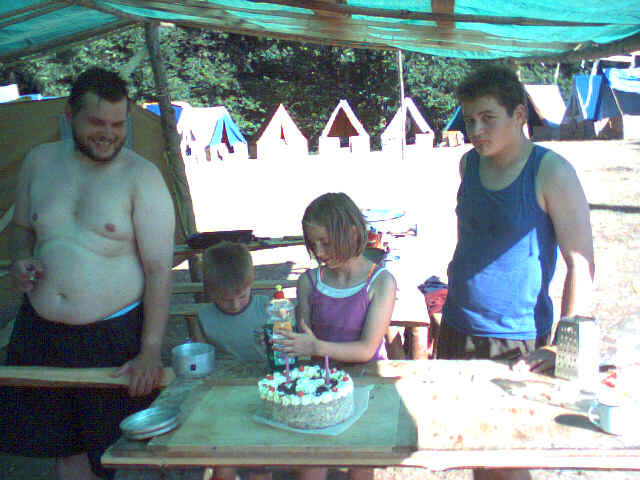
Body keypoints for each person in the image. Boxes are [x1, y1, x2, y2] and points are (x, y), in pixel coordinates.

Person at [1, 67, 175, 480]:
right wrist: (20, 259)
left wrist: (150, 350)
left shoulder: (141, 177)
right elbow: (21, 228)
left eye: (118, 124)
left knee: (114, 454)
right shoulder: (39, 161)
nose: (108, 134)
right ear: (69, 115)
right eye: (97, 123)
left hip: (112, 338)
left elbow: (159, 271)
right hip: (41, 332)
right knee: (64, 450)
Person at [436, 65, 595, 480]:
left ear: (519, 115)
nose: (476, 130)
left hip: (515, 337)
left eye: (488, 118)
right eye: (470, 120)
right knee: (473, 446)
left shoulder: (551, 172)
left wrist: (560, 347)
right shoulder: (468, 165)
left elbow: (581, 263)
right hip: (457, 325)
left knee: (507, 456)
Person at [278, 192, 397, 480]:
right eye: (313, 244)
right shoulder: (309, 281)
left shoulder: (380, 282)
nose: (319, 252)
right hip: (319, 387)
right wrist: (281, 340)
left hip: (367, 386)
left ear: (353, 233)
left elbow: (367, 349)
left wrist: (315, 346)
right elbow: (303, 336)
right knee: (311, 468)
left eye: (326, 243)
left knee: (361, 466)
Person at [193, 241, 272, 480]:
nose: (235, 305)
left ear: (251, 283)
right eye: (225, 299)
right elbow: (201, 362)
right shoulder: (204, 317)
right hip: (224, 396)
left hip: (263, 392)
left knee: (259, 466)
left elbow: (288, 353)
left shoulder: (267, 308)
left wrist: (273, 342)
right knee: (223, 468)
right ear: (211, 291)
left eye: (242, 296)